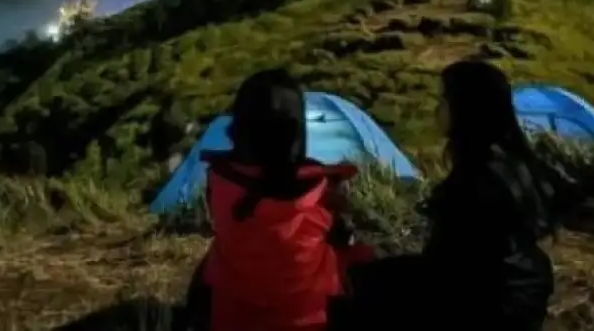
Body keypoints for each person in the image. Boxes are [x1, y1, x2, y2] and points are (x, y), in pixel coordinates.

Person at [342, 60, 562, 331]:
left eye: (444, 100)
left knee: (357, 292)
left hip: (491, 302)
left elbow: (451, 271)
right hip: (520, 289)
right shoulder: (510, 161)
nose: (438, 109)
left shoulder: (478, 179)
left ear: (466, 107)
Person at [176, 68, 375, 331]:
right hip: (312, 320)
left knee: (215, 260)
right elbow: (341, 236)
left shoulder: (220, 178)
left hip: (231, 319)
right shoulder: (322, 186)